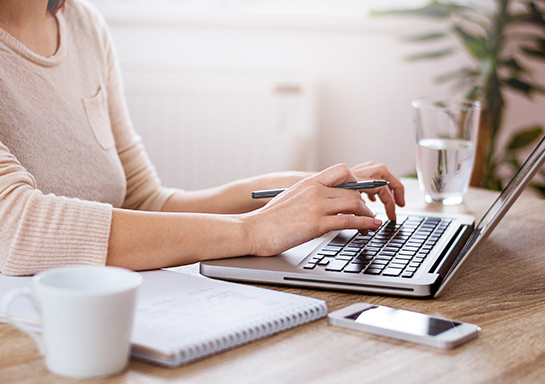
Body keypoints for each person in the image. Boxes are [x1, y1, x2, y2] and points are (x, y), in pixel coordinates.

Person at [0, 0, 405, 277]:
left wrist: (306, 190)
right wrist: (253, 231)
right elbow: (18, 228)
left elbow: (146, 203)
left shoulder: (84, 25)